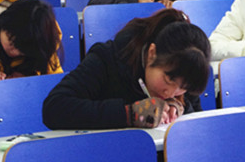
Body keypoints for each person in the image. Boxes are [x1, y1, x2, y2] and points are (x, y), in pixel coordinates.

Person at [42, 9, 211, 130]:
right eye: (169, 80)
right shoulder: (108, 58)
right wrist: (129, 114)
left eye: (183, 87)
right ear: (152, 53)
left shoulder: (187, 70)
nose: (171, 92)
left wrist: (180, 107)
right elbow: (54, 108)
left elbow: (197, 122)